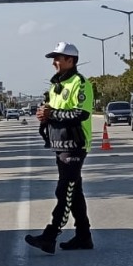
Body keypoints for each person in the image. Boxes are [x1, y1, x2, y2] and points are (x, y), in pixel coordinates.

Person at [26, 41, 94, 253]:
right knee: (75, 192)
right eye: (53, 59)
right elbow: (53, 111)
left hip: (74, 144)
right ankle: (84, 236)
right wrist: (43, 115)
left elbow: (81, 113)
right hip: (59, 144)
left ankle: (50, 234)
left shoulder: (80, 83)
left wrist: (52, 114)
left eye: (57, 58)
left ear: (70, 60)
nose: (54, 62)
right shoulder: (56, 85)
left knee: (64, 190)